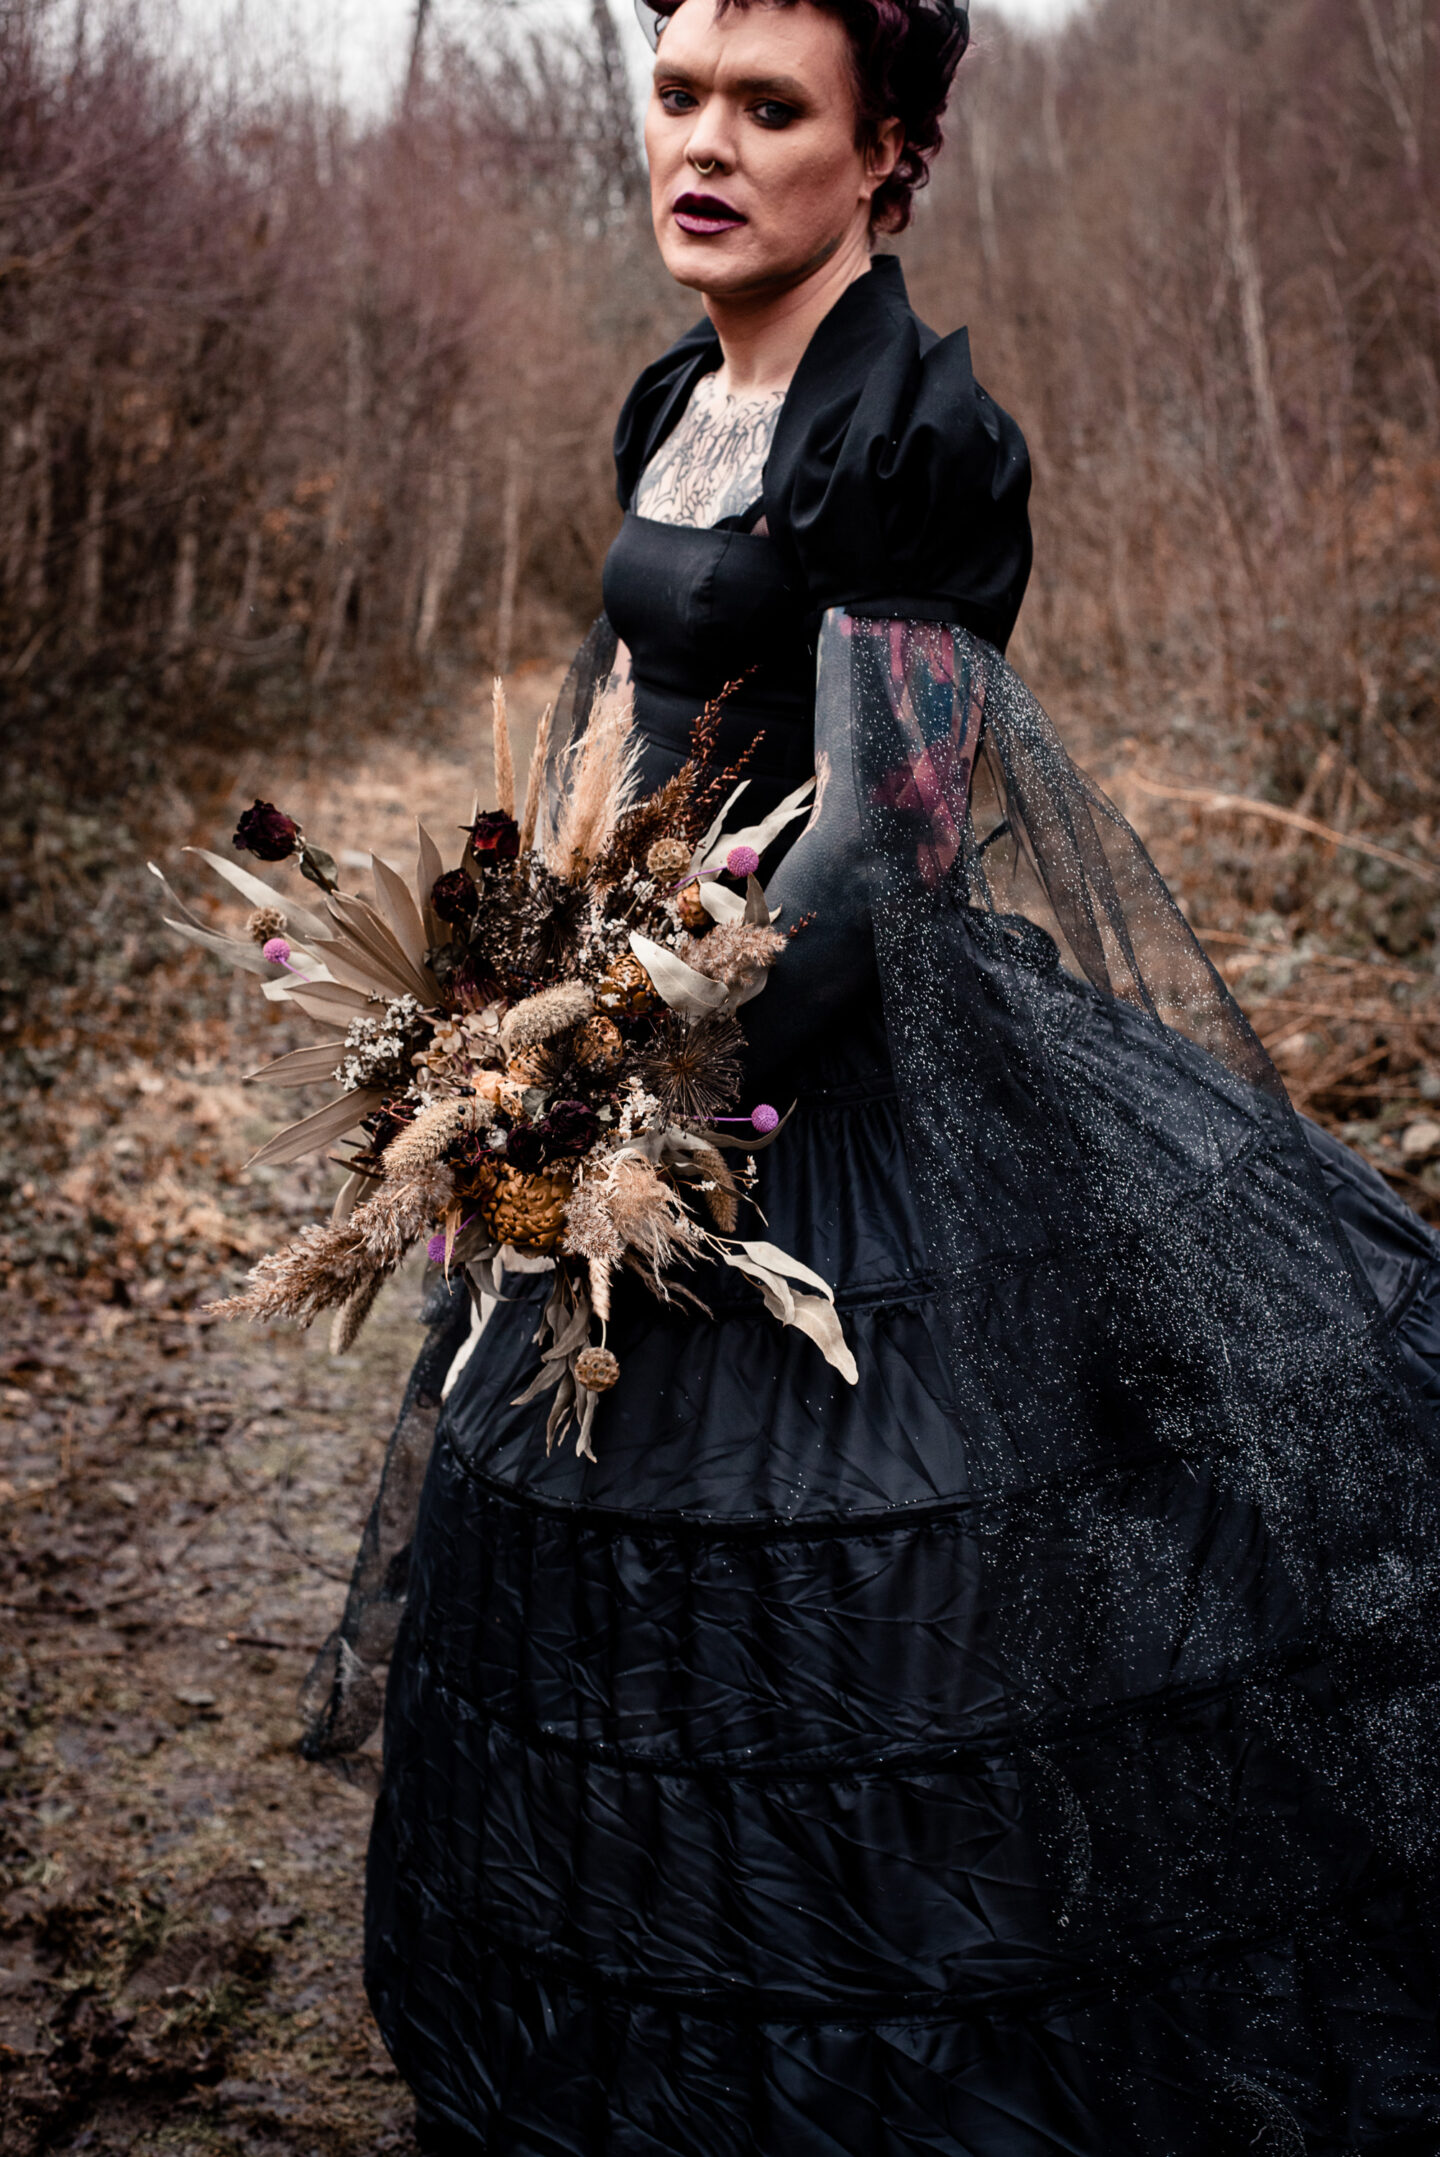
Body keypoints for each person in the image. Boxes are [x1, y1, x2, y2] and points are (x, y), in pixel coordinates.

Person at [341, 0, 1440, 2147]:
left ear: (891, 157)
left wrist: (638, 1049)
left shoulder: (918, 428)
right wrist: (521, 972)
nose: (709, 146)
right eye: (680, 98)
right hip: (629, 1028)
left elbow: (891, 839)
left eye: (773, 109)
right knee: (620, 1572)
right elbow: (631, 725)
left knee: (889, 1590)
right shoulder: (679, 390)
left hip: (813, 1068)